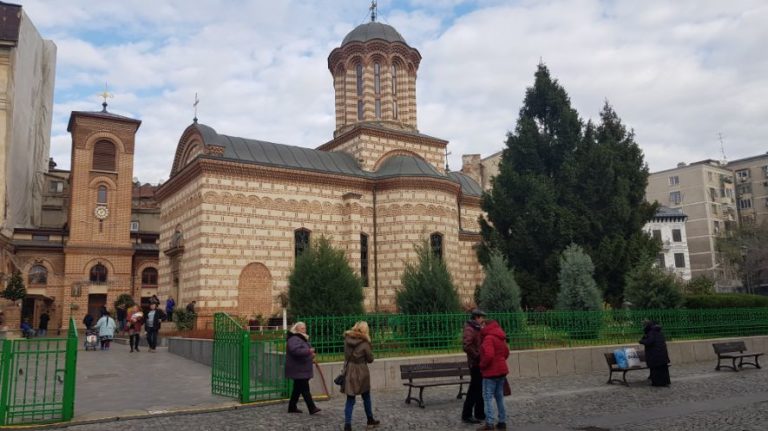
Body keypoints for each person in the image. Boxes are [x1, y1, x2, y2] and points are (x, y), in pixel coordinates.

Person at [342, 321, 379, 431]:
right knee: (366, 397)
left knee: (350, 399)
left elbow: (346, 355)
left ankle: (347, 425)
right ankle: (370, 419)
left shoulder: (347, 340)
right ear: (365, 330)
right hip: (361, 371)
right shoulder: (365, 343)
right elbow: (370, 359)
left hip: (349, 370)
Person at [477, 320, 510, 431]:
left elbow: (489, 355)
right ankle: (502, 422)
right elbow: (506, 352)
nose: (480, 327)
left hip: (490, 372)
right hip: (501, 371)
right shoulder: (500, 336)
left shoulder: (488, 338)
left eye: (482, 325)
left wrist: (482, 365)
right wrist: (500, 361)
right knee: (499, 397)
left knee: (488, 398)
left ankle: (489, 424)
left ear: (486, 326)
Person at [285, 322, 321, 414]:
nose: (304, 330)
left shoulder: (301, 338)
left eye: (305, 328)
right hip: (298, 368)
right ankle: (312, 408)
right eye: (302, 328)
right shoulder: (294, 339)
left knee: (297, 389)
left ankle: (292, 407)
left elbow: (302, 352)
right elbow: (295, 351)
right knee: (305, 389)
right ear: (297, 329)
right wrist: (308, 351)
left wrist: (310, 356)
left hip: (301, 368)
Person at [462, 309, 486, 424]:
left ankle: (479, 413)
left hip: (479, 362)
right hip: (475, 363)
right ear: (476, 317)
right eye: (482, 317)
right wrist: (477, 356)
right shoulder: (470, 328)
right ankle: (466, 415)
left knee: (480, 389)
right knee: (474, 390)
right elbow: (466, 345)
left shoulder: (477, 327)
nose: (483, 319)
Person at [639, 320, 671, 387]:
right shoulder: (658, 331)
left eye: (644, 326)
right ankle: (665, 382)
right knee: (663, 369)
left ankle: (658, 383)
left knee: (656, 370)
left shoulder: (651, 332)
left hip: (655, 355)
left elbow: (649, 342)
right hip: (662, 354)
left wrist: (641, 341)